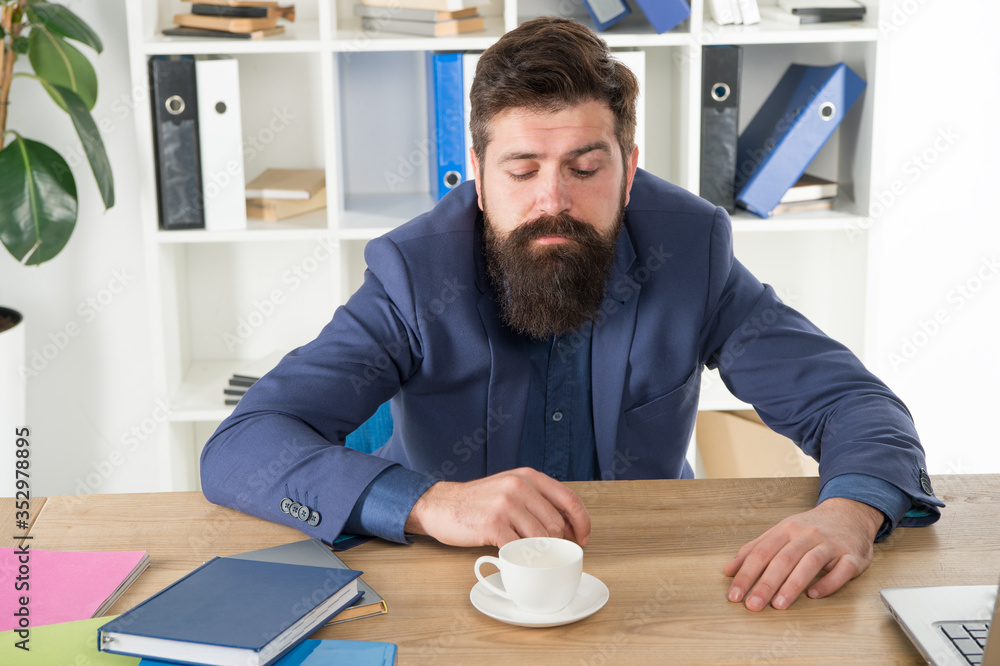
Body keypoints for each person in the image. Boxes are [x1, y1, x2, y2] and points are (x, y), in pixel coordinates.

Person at [201, 16, 943, 613]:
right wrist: (432, 503)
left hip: (648, 575)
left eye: (586, 169)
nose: (552, 200)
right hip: (447, 582)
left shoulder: (691, 249)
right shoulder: (412, 272)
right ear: (481, 181)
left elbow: (852, 402)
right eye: (522, 171)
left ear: (629, 171)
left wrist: (850, 511)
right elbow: (241, 445)